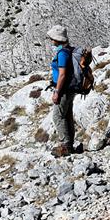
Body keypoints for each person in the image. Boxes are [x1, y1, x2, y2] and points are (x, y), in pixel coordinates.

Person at [47, 24, 76, 157]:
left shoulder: (63, 53)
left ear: (57, 39)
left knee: (58, 116)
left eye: (52, 38)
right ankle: (70, 144)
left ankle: (65, 146)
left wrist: (57, 92)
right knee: (67, 115)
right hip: (70, 89)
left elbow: (62, 74)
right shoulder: (68, 49)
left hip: (64, 89)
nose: (51, 41)